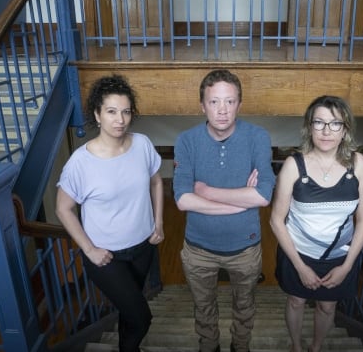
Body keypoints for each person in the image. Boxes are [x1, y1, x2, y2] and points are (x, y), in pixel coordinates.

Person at [55, 74, 164, 352]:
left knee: (131, 312)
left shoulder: (142, 144)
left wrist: (159, 222)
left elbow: (156, 180)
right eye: (112, 111)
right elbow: (63, 208)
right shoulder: (80, 162)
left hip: (142, 247)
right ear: (97, 114)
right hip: (106, 257)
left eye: (126, 112)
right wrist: (89, 250)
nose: (120, 119)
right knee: (142, 317)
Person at [173, 69, 276, 352]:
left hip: (245, 249)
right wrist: (241, 201)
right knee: (203, 307)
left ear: (239, 104)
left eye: (230, 102)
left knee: (245, 306)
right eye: (214, 102)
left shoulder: (257, 137)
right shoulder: (186, 141)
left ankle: (239, 347)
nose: (222, 110)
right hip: (198, 250)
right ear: (202, 105)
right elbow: (182, 200)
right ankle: (210, 347)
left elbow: (263, 195)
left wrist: (206, 192)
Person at [269, 95, 363, 352]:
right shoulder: (294, 165)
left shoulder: (358, 164)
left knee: (328, 306)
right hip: (298, 253)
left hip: (338, 257)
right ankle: (296, 345)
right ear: (309, 127)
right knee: (296, 301)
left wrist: (347, 266)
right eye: (319, 122)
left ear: (345, 129)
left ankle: (315, 347)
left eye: (335, 123)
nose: (327, 131)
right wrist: (300, 266)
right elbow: (276, 221)